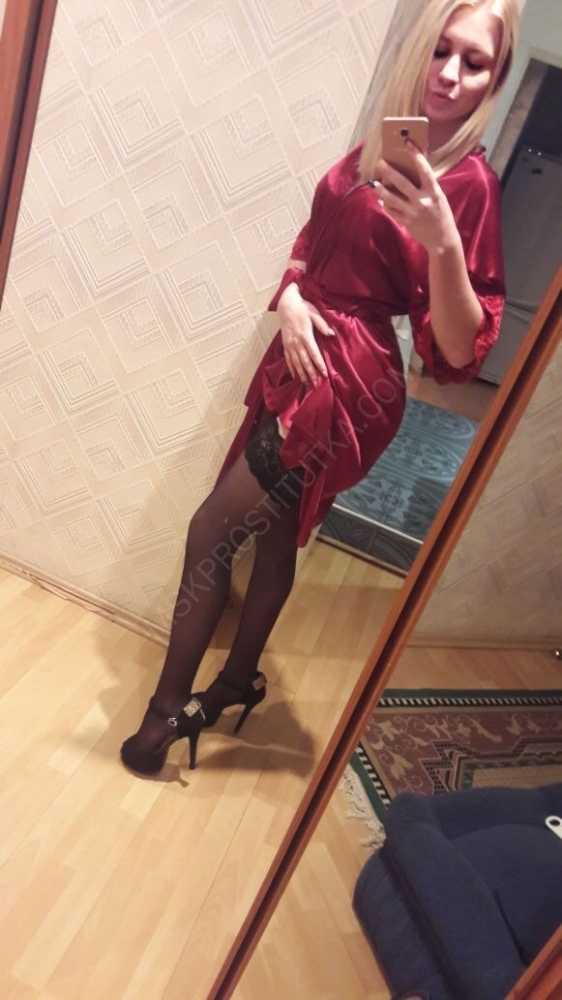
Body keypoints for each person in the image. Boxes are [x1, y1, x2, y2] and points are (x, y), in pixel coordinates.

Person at [120, 0, 520, 776]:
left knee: (211, 532)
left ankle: (165, 713)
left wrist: (443, 245)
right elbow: (314, 240)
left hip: (347, 386)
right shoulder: (390, 141)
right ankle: (239, 681)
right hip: (299, 357)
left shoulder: (469, 185)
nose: (449, 73)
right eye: (441, 50)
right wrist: (293, 298)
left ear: (495, 80)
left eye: (474, 62)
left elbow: (457, 350)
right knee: (274, 532)